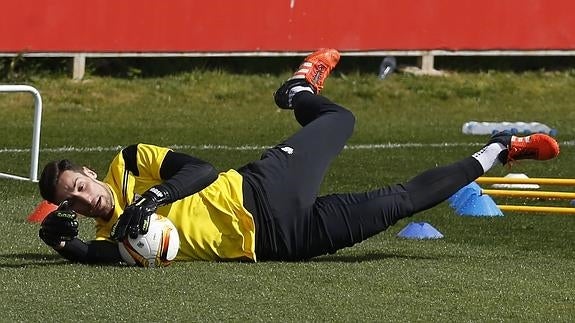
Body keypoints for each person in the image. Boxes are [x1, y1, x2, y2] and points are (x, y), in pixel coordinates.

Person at [37, 49, 560, 264]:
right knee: (399, 202)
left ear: (87, 171)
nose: (85, 201)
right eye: (74, 204)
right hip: (282, 241)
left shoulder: (129, 163)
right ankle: (500, 148)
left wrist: (152, 198)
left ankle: (298, 91)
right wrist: (65, 246)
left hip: (264, 186)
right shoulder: (113, 238)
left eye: (79, 187)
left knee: (341, 120)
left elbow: (203, 171)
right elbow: (94, 255)